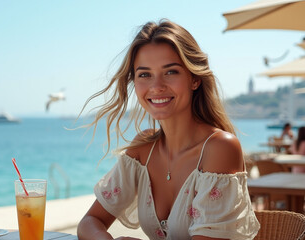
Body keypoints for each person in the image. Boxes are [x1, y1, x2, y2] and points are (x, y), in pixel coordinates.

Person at [77, 19, 260, 240]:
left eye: (171, 72)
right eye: (144, 74)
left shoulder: (220, 148)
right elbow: (89, 222)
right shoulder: (143, 150)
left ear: (194, 79)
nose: (156, 86)